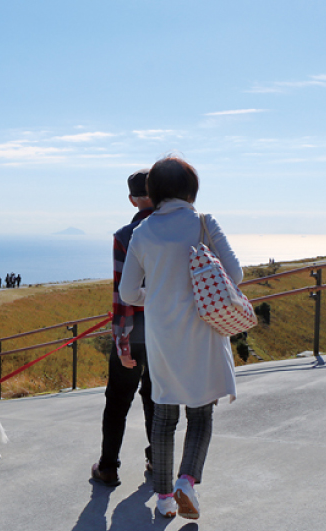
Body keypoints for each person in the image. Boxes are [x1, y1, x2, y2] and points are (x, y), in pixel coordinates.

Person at [119, 156, 241, 519]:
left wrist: (153, 295)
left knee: (163, 416)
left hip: (161, 336)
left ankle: (163, 499)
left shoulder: (141, 233)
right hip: (202, 331)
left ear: (153, 192)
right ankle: (186, 480)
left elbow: (128, 293)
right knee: (201, 413)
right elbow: (234, 274)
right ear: (191, 190)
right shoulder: (204, 223)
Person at [91, 169, 155, 488]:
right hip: (166, 330)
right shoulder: (174, 231)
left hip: (135, 330)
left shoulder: (124, 235)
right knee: (156, 396)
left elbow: (121, 296)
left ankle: (108, 466)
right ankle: (158, 458)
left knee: (117, 400)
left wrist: (122, 342)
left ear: (132, 199)